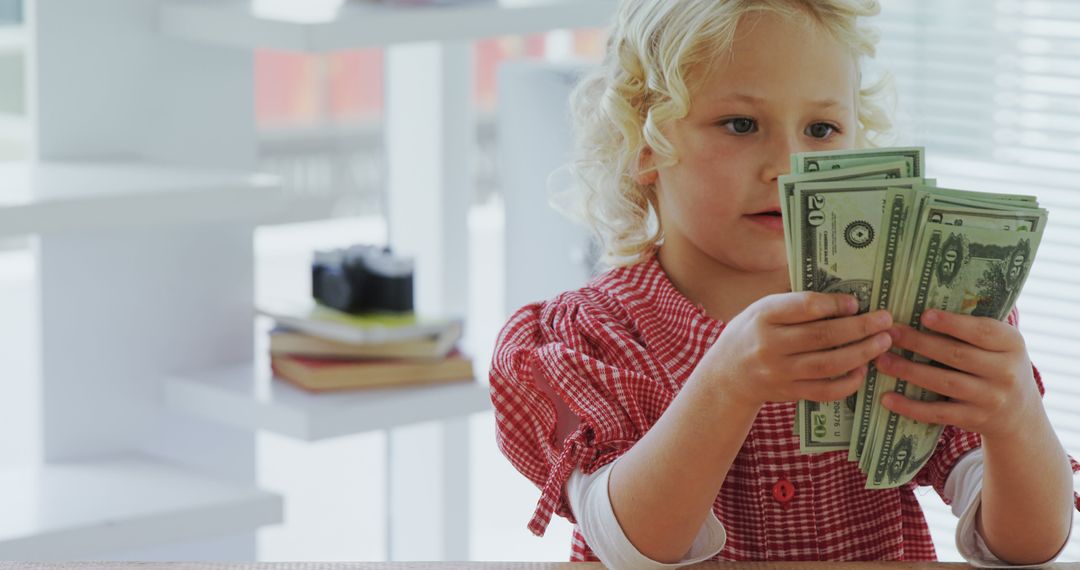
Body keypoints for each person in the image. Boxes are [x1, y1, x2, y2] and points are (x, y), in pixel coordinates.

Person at [489, 0, 1080, 567]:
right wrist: (728, 383)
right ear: (647, 144)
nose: (789, 166)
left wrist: (1016, 417)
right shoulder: (589, 338)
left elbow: (1025, 546)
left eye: (821, 129)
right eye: (740, 124)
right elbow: (633, 544)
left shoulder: (901, 314)